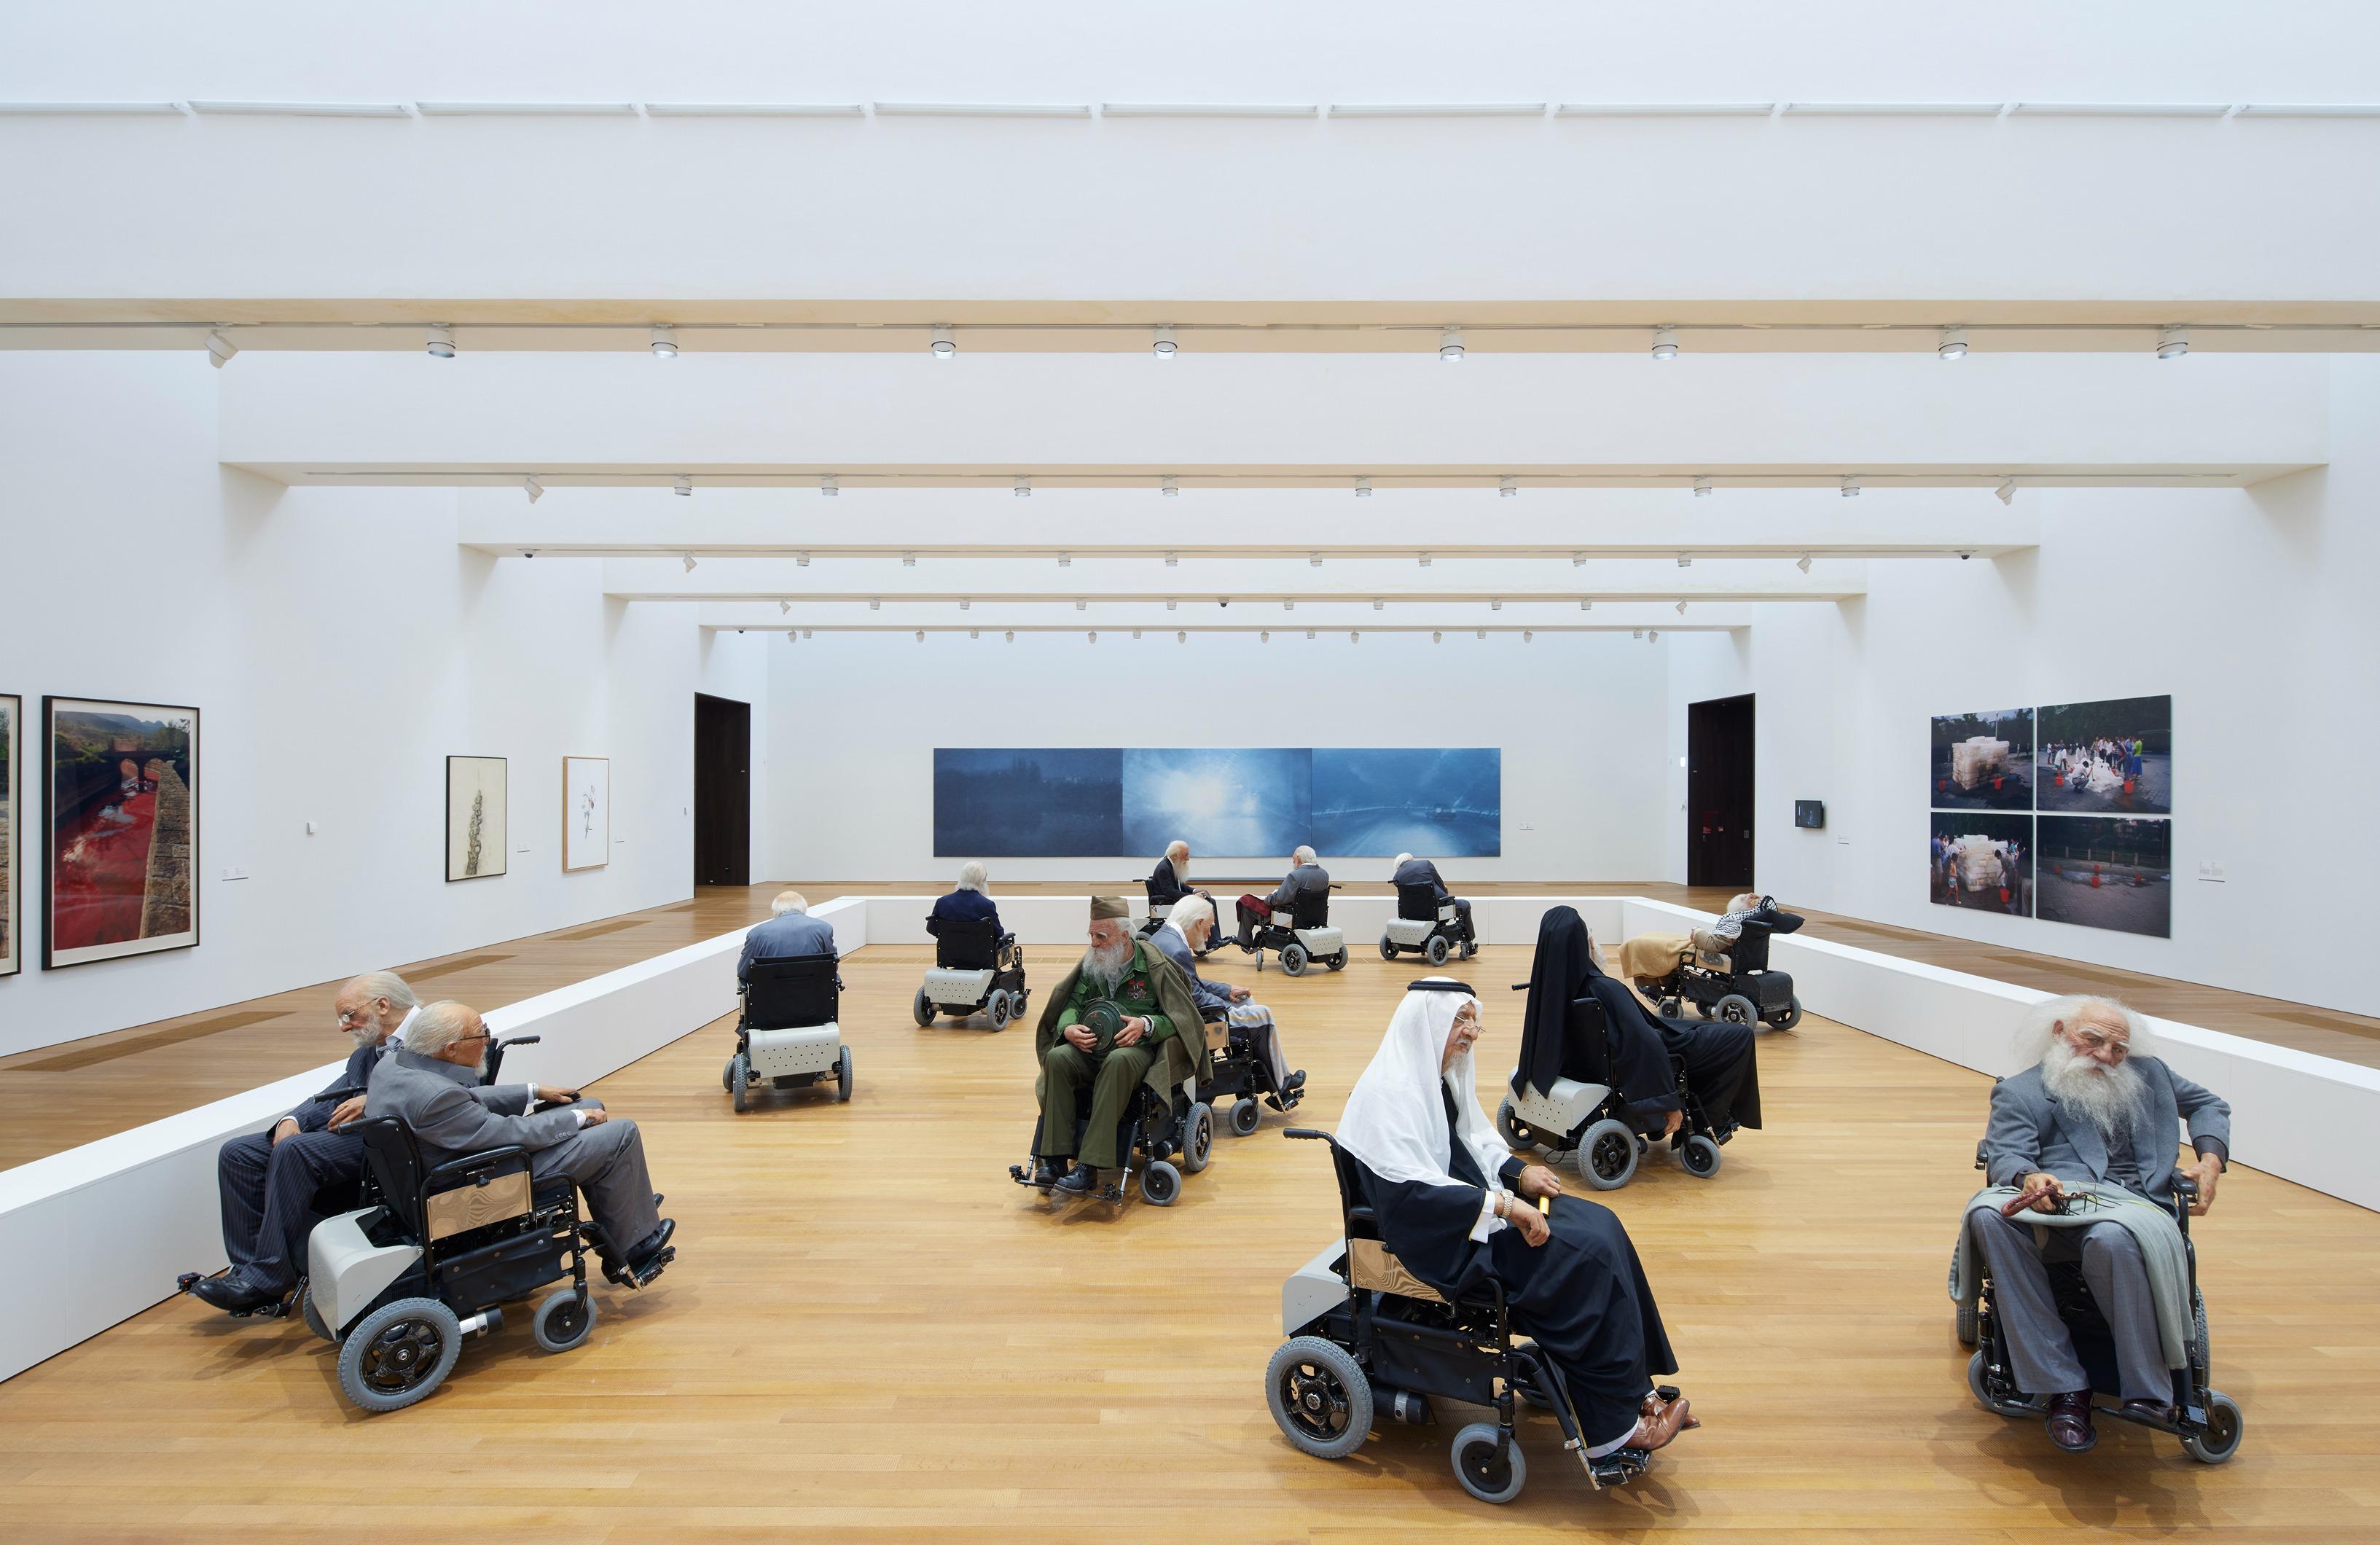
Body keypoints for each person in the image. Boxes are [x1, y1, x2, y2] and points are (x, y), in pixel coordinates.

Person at [1337, 979, 1696, 1456]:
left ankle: (1637, 1392)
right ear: (1427, 1022)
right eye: (1460, 1020)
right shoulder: (1386, 1095)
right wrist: (1505, 1205)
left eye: (1474, 1021)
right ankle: (1615, 1428)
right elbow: (1413, 1197)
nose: (1471, 1032)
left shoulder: (1434, 1078)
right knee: (1587, 1256)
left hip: (1477, 1210)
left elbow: (1472, 1143)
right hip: (1443, 1239)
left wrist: (1519, 1174)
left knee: (1604, 1226)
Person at [1974, 996, 2229, 1452]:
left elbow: (2210, 1105)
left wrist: (2210, 1161)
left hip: (2136, 1208)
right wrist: (2028, 1175)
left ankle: (2148, 1390)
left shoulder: (2152, 1075)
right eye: (2092, 1040)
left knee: (2112, 1236)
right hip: (2060, 1209)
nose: (2106, 1056)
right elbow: (2007, 1153)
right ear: (2059, 1032)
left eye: (2118, 1050)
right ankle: (2064, 1386)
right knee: (1989, 1218)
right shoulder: (2021, 1091)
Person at [366, 1001, 676, 1277]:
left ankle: (626, 1209)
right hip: (478, 1187)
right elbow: (507, 1132)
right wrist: (577, 1120)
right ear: (451, 1049)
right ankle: (635, 1246)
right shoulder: (437, 1097)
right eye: (481, 1035)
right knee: (621, 1134)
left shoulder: (394, 1065)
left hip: (450, 1172)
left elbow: (464, 1101)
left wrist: (534, 1090)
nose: (487, 1041)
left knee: (590, 1104)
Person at [192, 971, 428, 1313]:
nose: (345, 1027)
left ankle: (267, 1278)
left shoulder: (438, 1029)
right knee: (239, 1153)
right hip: (363, 1136)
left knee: (295, 1151)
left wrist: (377, 1100)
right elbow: (340, 1091)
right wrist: (293, 1120)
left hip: (403, 1142)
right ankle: (247, 1273)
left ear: (382, 1005)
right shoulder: (371, 1049)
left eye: (349, 1015)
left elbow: (457, 1091)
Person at [1522, 907, 1763, 1143]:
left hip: (1608, 1054)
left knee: (1692, 1027)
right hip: (1657, 1050)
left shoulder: (1548, 989)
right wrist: (1669, 1103)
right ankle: (1705, 1121)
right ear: (1582, 945)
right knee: (1739, 1036)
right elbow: (1646, 1043)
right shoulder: (1604, 989)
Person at [1028, 897, 1208, 1199]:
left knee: (1119, 1061)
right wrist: (1068, 1028)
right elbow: (1071, 1005)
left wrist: (1146, 1025)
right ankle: (1055, 1158)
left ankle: (1088, 1166)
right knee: (1058, 1057)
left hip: (1137, 1050)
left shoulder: (1155, 966)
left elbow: (1182, 1018)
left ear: (1125, 936)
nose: (1094, 943)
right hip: (1092, 1047)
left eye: (1101, 936)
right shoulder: (1092, 965)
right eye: (1091, 935)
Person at [1149, 893, 1303, 1103]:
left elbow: (1191, 984)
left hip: (1179, 1011)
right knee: (1264, 1014)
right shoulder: (1178, 951)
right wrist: (1227, 1007)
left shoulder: (1162, 936)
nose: (1209, 934)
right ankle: (1281, 1082)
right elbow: (1196, 997)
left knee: (1245, 1001)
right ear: (1198, 923)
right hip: (1196, 1021)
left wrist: (1227, 990)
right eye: (1209, 927)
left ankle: (1268, 1077)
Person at [1236, 845, 1329, 949]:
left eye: (1294, 860)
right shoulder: (1324, 875)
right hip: (1316, 916)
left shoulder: (1295, 876)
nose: (1293, 863)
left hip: (1292, 917)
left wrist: (1268, 898)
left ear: (1299, 858)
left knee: (1246, 904)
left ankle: (1244, 942)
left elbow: (1279, 899)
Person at [739, 888, 837, 982]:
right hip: (815, 991)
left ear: (775, 909)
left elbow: (743, 972)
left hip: (771, 992)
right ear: (804, 907)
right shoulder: (824, 929)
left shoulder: (756, 934)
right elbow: (832, 965)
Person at [1391, 851, 1471, 934]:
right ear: (1412, 860)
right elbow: (1440, 884)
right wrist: (1446, 895)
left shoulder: (1396, 877)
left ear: (1398, 866)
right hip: (1436, 908)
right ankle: (1468, 938)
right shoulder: (1426, 864)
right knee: (1465, 905)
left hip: (1413, 913)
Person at [929, 861, 1001, 934]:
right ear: (982, 881)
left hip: (948, 942)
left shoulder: (942, 902)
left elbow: (931, 929)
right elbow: (999, 934)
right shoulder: (987, 905)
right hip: (978, 942)